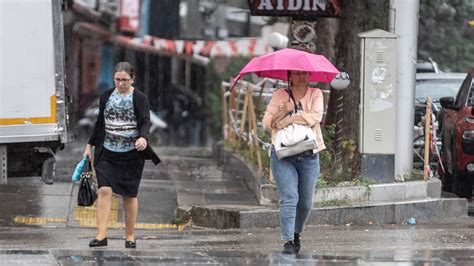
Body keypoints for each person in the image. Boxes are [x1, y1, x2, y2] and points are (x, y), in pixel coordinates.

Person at [83, 61, 160, 249]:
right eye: (117, 79)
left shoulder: (140, 98)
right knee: (104, 190)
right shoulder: (106, 96)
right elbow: (99, 123)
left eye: (125, 79)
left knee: (129, 194)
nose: (121, 83)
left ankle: (130, 235)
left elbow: (145, 121)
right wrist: (89, 145)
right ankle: (101, 235)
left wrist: (143, 137)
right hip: (107, 151)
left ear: (132, 79)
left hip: (132, 154)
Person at [262, 70, 326, 254]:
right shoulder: (279, 95)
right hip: (282, 155)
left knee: (305, 202)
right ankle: (288, 240)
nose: (301, 77)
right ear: (290, 76)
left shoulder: (316, 94)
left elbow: (315, 117)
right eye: (297, 74)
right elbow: (267, 123)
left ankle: (296, 232)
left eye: (304, 73)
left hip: (309, 154)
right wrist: (282, 111)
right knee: (290, 197)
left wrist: (289, 119)